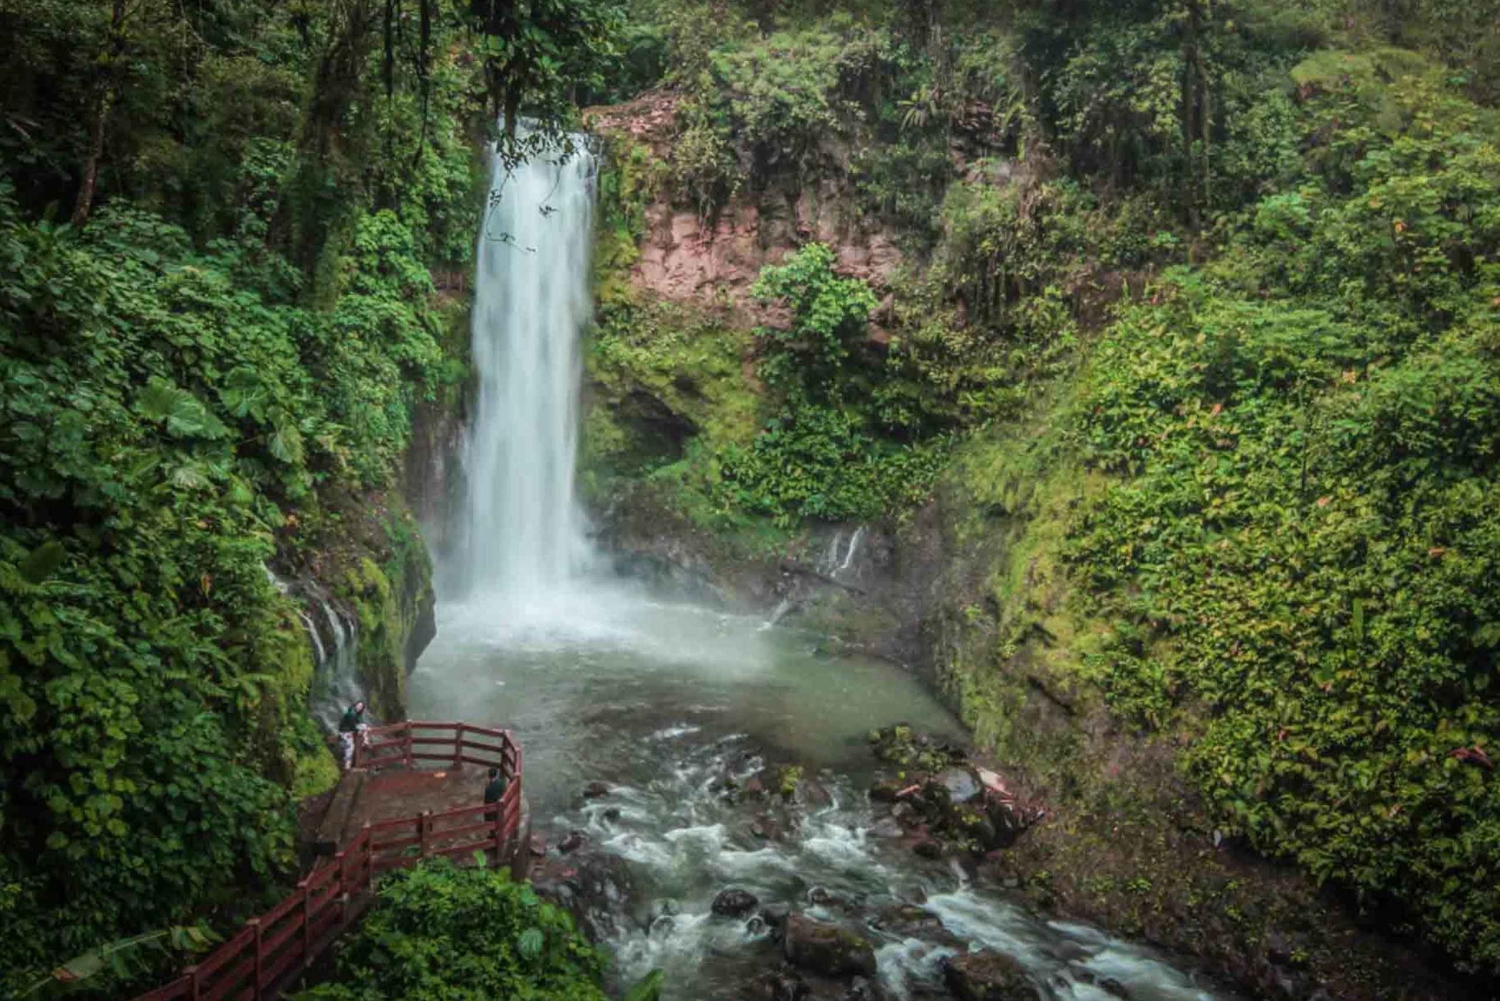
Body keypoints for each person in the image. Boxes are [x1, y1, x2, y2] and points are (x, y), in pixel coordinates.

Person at [337, 700, 368, 770]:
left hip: (349, 731)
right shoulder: (351, 713)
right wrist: (358, 731)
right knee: (350, 747)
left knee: (364, 726)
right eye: (358, 705)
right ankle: (347, 766)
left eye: (361, 707)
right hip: (345, 732)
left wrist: (362, 728)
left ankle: (366, 741)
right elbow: (352, 726)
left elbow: (359, 722)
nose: (359, 707)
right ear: (355, 704)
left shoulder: (356, 713)